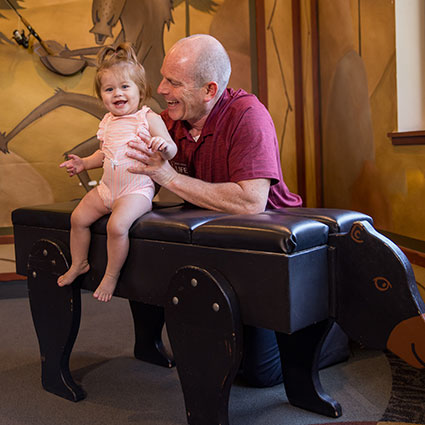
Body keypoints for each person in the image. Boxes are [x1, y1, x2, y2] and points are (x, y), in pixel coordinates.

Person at [126, 34, 349, 388]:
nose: (162, 89)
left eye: (174, 82)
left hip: (272, 249)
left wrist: (168, 176)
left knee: (258, 374)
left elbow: (250, 202)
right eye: (163, 77)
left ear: (209, 90)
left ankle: (337, 332)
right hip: (219, 243)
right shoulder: (170, 122)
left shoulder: (248, 115)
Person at [57, 42, 177, 302]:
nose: (117, 94)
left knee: (117, 226)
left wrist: (163, 146)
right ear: (102, 95)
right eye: (109, 89)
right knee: (78, 219)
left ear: (140, 90)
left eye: (124, 87)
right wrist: (84, 163)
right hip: (107, 189)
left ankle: (111, 275)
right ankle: (79, 263)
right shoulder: (107, 122)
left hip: (135, 191)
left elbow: (172, 150)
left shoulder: (148, 118)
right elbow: (105, 153)